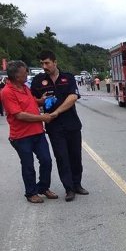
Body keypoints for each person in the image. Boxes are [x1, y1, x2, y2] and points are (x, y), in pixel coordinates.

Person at [31, 50, 87, 202]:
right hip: (54, 126)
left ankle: (77, 184)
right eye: (42, 63)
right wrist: (40, 101)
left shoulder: (67, 78)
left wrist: (56, 111)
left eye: (47, 63)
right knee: (62, 157)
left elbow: (73, 96)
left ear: (55, 62)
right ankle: (69, 188)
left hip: (71, 123)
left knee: (75, 156)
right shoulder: (38, 81)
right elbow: (31, 100)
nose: (44, 66)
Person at [2, 61, 55, 203]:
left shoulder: (24, 87)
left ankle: (43, 187)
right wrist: (43, 117)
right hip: (21, 136)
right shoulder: (7, 92)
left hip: (37, 132)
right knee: (28, 165)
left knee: (46, 160)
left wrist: (40, 101)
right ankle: (31, 193)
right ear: (17, 76)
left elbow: (30, 102)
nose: (27, 73)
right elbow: (19, 115)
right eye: (24, 71)